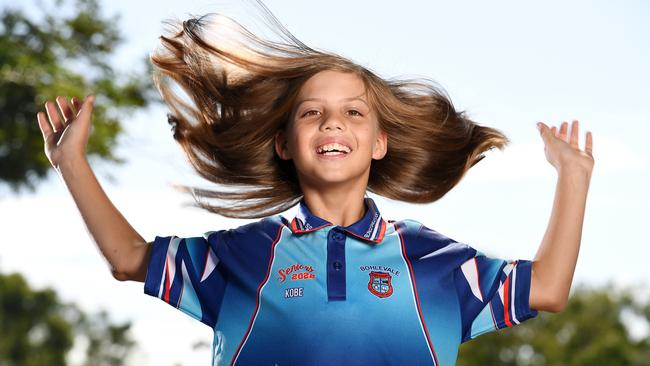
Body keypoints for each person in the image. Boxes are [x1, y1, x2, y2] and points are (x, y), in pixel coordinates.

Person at [36, 1, 594, 365]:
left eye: (354, 113)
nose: (332, 122)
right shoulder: (244, 253)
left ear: (379, 143)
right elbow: (129, 258)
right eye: (311, 113)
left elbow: (546, 289)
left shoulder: (435, 260)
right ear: (284, 143)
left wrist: (574, 176)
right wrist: (72, 163)